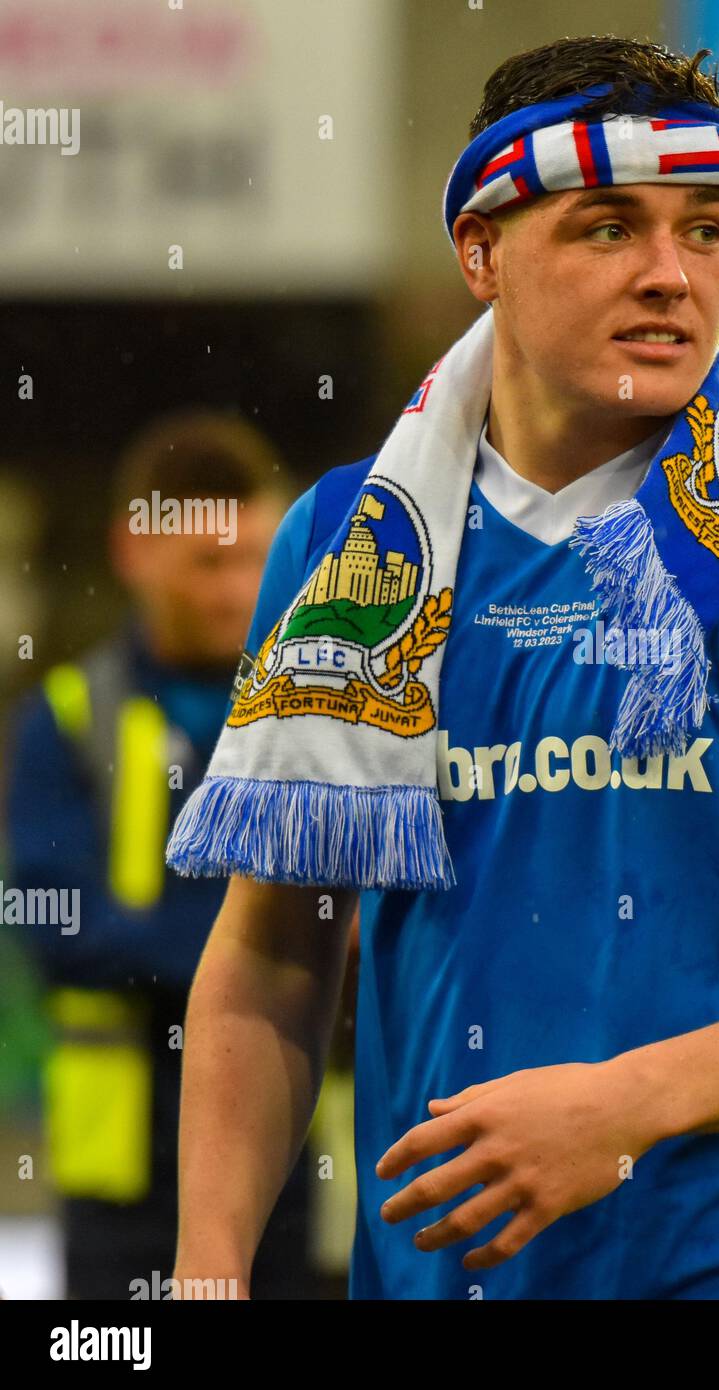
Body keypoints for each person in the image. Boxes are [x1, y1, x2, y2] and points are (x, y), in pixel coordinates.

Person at [168, 39, 719, 1302]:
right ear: (481, 250)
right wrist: (207, 1272)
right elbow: (281, 945)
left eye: (710, 230)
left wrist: (627, 1105)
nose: (673, 277)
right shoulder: (346, 550)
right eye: (610, 227)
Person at [3, 411, 335, 1299]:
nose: (239, 591)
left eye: (257, 559)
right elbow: (58, 924)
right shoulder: (67, 720)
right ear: (133, 551)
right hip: (126, 1167)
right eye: (209, 563)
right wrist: (269, 951)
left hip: (294, 1149)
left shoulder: (322, 708)